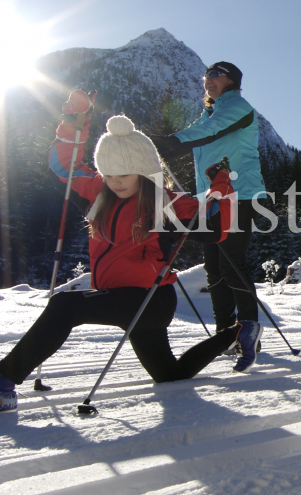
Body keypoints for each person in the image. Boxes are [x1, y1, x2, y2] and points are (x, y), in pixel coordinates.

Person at [0, 98, 262, 413]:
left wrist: (221, 186)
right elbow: (63, 166)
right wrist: (75, 120)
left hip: (150, 299)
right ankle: (235, 333)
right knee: (169, 375)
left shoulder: (165, 201)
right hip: (118, 295)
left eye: (125, 173)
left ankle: (4, 378)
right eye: (109, 173)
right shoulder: (101, 190)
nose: (116, 181)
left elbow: (216, 229)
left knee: (64, 305)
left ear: (144, 169)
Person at [152, 62, 264, 336]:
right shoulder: (209, 113)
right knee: (214, 268)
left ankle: (248, 329)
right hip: (212, 198)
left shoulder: (237, 108)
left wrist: (170, 142)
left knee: (231, 262)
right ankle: (225, 332)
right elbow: (198, 134)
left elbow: (211, 131)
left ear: (233, 81)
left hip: (241, 194)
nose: (208, 80)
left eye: (216, 75)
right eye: (206, 75)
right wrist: (164, 148)